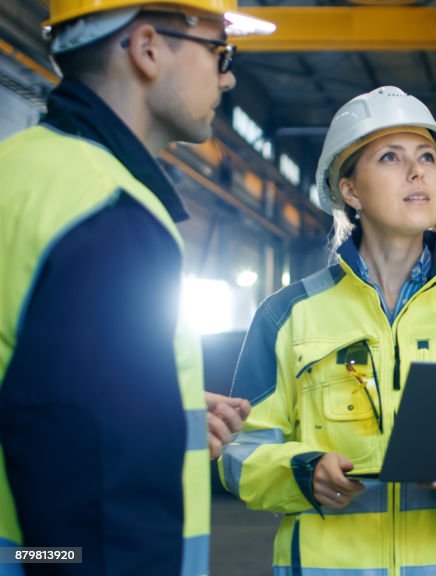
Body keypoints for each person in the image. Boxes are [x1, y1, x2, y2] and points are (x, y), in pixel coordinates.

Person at [220, 86, 436, 575]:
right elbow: (240, 452)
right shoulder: (287, 314)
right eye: (390, 157)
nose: (416, 172)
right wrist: (302, 472)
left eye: (427, 157)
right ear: (350, 190)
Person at [0, 2, 272, 574]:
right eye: (220, 53)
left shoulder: (20, 171)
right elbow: (95, 506)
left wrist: (151, 411)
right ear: (148, 48)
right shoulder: (108, 212)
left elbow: (45, 401)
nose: (227, 76)